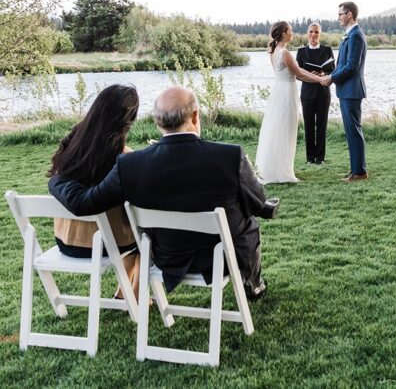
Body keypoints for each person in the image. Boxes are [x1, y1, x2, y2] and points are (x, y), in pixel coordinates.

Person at [49, 87, 280, 301]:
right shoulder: (231, 155)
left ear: (157, 122)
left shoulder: (130, 165)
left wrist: (58, 177)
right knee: (248, 223)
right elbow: (256, 199)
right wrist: (260, 206)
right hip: (220, 257)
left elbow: (85, 202)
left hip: (167, 257)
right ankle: (252, 284)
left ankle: (131, 292)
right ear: (195, 116)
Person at [47, 84, 142, 299]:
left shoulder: (73, 147)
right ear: (127, 121)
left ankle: (124, 291)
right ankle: (133, 293)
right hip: (106, 244)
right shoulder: (124, 159)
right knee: (146, 234)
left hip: (66, 242)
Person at [255, 21, 327, 183]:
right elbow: (300, 74)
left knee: (278, 129)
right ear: (283, 34)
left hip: (279, 92)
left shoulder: (273, 51)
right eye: (290, 30)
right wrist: (320, 80)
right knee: (286, 130)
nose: (292, 33)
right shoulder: (285, 53)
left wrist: (317, 78)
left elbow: (298, 71)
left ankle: (275, 169)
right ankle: (282, 172)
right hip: (286, 92)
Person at [321, 1, 368, 182]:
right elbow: (344, 65)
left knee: (354, 131)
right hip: (346, 90)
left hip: (352, 90)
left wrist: (331, 78)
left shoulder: (355, 35)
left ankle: (360, 172)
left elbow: (351, 67)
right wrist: (330, 74)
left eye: (340, 14)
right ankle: (355, 170)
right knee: (351, 131)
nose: (338, 17)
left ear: (349, 14)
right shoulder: (350, 34)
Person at [296, 23, 334, 164]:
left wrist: (324, 73)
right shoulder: (301, 52)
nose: (313, 35)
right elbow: (297, 74)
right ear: (307, 33)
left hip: (323, 93)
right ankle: (310, 158)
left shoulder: (327, 50)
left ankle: (320, 158)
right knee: (309, 126)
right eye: (311, 32)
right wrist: (310, 75)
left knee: (322, 126)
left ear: (320, 34)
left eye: (316, 32)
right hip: (307, 94)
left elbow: (333, 71)